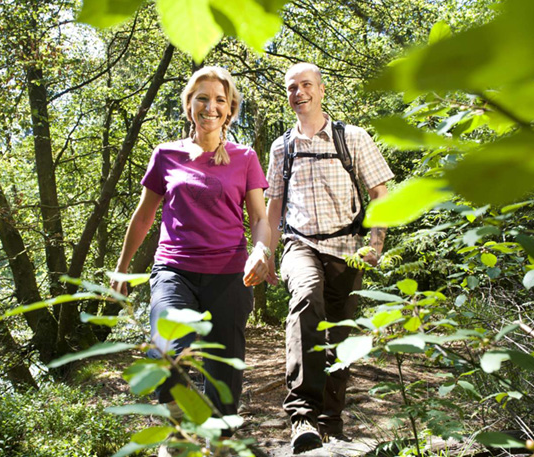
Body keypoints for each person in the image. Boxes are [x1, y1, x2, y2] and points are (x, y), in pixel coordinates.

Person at [111, 66, 272, 440]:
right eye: (202, 98)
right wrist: (121, 270)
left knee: (222, 382)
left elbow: (260, 217)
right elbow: (144, 216)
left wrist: (261, 250)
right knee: (168, 353)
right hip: (174, 270)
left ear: (230, 109)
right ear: (189, 105)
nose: (210, 107)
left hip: (231, 274)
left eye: (220, 100)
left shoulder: (245, 157)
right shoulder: (166, 155)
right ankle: (178, 437)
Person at [265, 63, 394, 454]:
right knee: (305, 296)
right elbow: (273, 208)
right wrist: (265, 254)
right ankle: (302, 416)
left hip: (347, 249)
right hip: (299, 244)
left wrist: (376, 243)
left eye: (306, 85)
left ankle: (330, 422)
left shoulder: (352, 137)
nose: (299, 93)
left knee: (339, 332)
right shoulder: (281, 147)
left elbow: (380, 193)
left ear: (321, 90)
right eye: (292, 88)